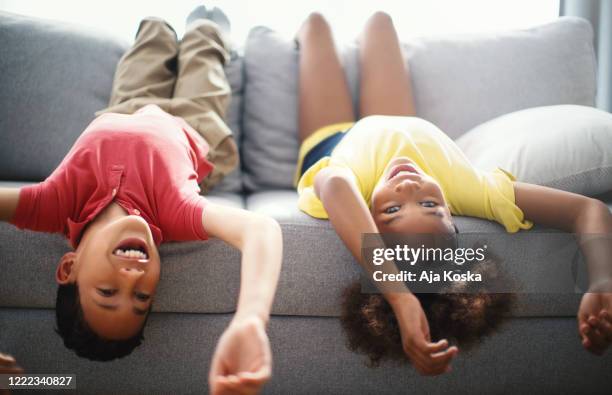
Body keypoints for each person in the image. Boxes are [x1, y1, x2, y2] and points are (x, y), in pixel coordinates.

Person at [294, 11, 612, 374]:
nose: (409, 185)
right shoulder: (467, 188)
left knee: (316, 24)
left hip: (329, 142)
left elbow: (335, 185)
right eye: (430, 205)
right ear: (454, 219)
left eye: (392, 210)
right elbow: (587, 210)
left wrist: (397, 295)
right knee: (380, 22)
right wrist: (602, 278)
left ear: (367, 219)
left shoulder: (348, 185)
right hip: (393, 116)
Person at [0, 8, 281, 394]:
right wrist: (250, 318)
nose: (131, 279)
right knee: (203, 50)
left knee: (151, 36)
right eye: (142, 297)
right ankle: (207, 25)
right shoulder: (175, 210)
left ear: (69, 267)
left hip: (125, 107)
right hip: (195, 129)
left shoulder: (53, 204)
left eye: (107, 292)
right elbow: (260, 228)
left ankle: (160, 26)